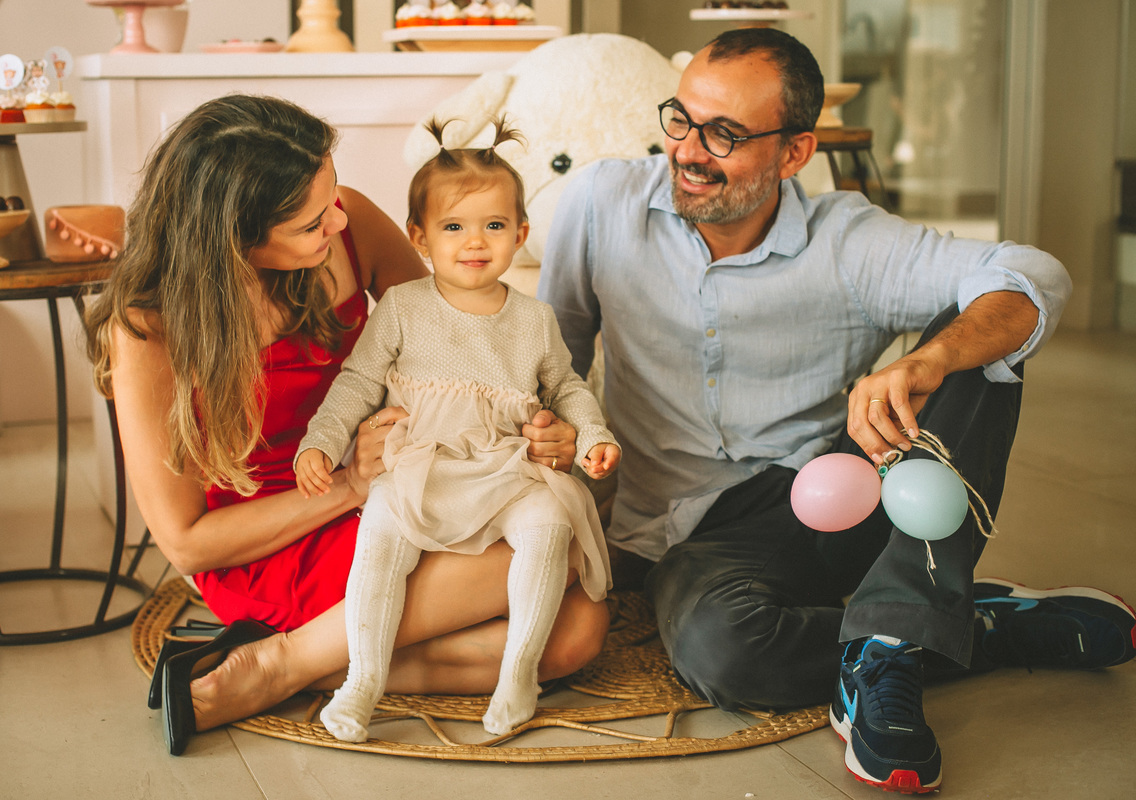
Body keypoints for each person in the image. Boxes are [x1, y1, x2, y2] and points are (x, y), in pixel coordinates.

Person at [537, 27, 1135, 795]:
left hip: (829, 505)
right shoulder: (600, 203)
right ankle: (962, 627)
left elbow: (1033, 275)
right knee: (725, 653)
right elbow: (553, 362)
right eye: (681, 119)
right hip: (686, 533)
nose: (687, 150)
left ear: (794, 153)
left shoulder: (848, 242)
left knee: (988, 344)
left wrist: (932, 357)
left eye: (725, 134)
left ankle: (893, 635)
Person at [84, 94, 610, 756]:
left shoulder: (350, 222)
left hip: (398, 472)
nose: (339, 217)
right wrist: (349, 486)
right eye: (310, 222)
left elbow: (456, 346)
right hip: (269, 530)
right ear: (233, 240)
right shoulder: (149, 329)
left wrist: (543, 422)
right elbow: (187, 544)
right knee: (556, 604)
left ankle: (301, 663)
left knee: (577, 622)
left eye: (332, 193)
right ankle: (288, 661)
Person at [294, 118, 621, 741]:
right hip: (420, 460)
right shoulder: (403, 307)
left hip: (506, 466)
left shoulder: (533, 318)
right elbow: (357, 384)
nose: (475, 242)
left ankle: (518, 672)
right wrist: (322, 443)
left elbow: (568, 386)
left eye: (494, 226)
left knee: (549, 526)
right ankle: (363, 678)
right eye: (453, 227)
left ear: (520, 234)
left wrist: (594, 434)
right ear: (419, 237)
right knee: (382, 536)